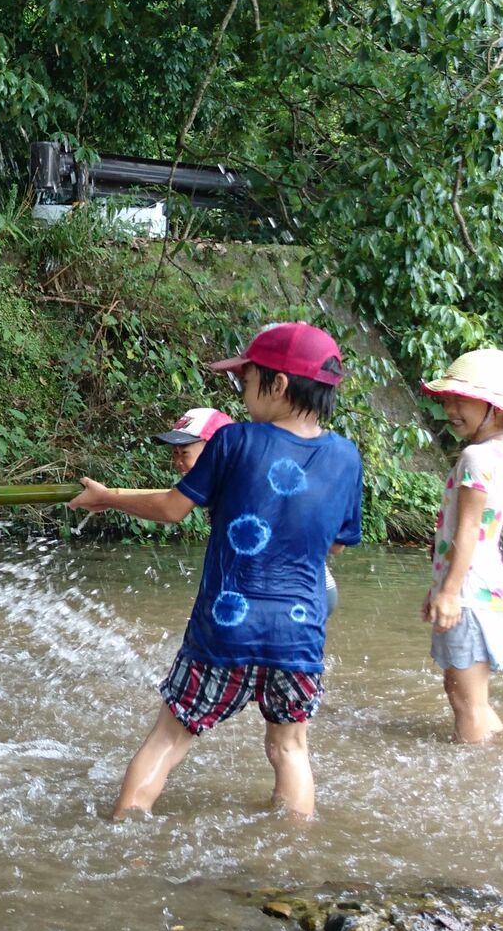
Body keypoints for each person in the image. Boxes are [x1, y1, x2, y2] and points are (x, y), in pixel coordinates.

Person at [73, 323, 363, 819]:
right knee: (290, 749)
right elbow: (336, 544)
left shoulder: (234, 441)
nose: (243, 392)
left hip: (226, 628)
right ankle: (292, 864)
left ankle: (121, 835)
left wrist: (108, 499)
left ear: (279, 385)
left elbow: (171, 508)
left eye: (246, 381)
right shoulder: (346, 457)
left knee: (169, 738)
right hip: (299, 631)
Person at [419, 348, 503, 744]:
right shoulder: (498, 453)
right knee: (468, 695)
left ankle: (473, 770)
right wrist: (440, 588)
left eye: (461, 400)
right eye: (448, 399)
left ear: (498, 410)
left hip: (470, 591)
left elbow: (469, 530)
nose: (450, 408)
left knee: (465, 699)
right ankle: (499, 754)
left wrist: (450, 592)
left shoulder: (475, 457)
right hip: (479, 587)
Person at [152, 406, 340, 616]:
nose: (178, 462)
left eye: (184, 453)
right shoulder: (238, 474)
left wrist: (109, 498)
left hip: (295, 590)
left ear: (216, 448)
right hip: (307, 587)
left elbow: (170, 508)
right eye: (175, 453)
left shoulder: (239, 480)